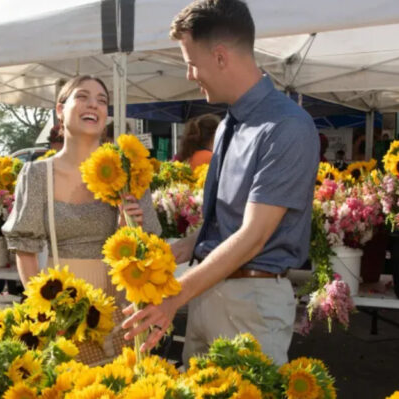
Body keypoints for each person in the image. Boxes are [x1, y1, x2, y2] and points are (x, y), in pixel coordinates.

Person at [122, 0, 318, 365]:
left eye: (191, 63)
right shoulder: (230, 123)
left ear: (221, 57)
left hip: (250, 303)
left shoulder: (286, 126)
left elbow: (254, 236)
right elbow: (227, 225)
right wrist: (180, 249)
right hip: (208, 290)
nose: (189, 76)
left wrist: (174, 297)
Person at [3, 75, 161, 364]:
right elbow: (25, 249)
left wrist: (132, 227)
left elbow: (151, 248)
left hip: (121, 311)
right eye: (82, 96)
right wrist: (45, 311)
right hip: (62, 311)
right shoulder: (37, 174)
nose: (93, 105)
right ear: (60, 110)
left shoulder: (130, 171)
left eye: (102, 100)